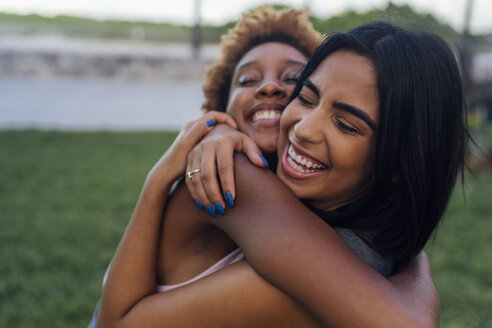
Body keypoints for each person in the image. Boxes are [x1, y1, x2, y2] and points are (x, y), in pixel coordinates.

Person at [94, 18, 466, 328]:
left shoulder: (323, 220)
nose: (302, 128)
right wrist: (415, 268)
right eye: (306, 97)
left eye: (347, 125)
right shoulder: (236, 176)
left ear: (399, 161)